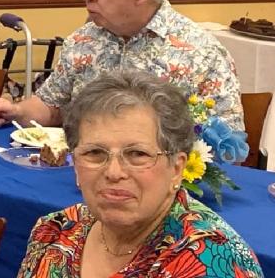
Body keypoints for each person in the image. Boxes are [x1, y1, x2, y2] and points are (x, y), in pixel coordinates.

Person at [0, 0, 245, 131]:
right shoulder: (83, 40)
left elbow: (227, 142)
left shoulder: (202, 53)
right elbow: (52, 106)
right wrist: (16, 111)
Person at [16, 71, 262, 277]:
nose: (113, 172)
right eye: (94, 153)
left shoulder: (209, 260)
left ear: (176, 169)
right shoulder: (55, 231)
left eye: (137, 154)